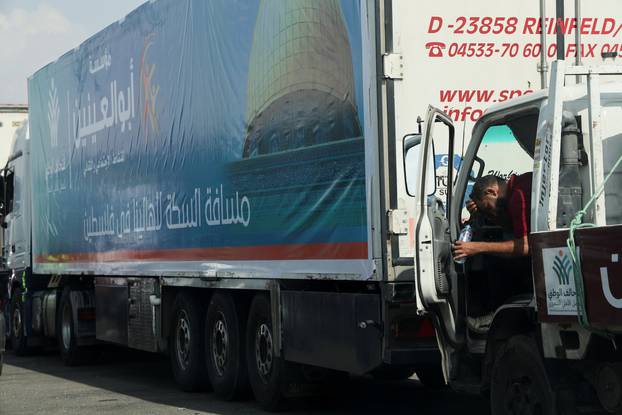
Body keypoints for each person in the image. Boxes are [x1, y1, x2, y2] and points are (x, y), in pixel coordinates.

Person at [453, 173, 533, 333]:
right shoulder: (519, 186)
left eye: (488, 207)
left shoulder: (518, 195)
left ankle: (497, 315)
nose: (491, 212)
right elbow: (510, 226)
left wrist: (477, 247)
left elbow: (524, 246)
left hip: (540, 252)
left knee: (495, 261)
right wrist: (481, 213)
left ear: (491, 192)